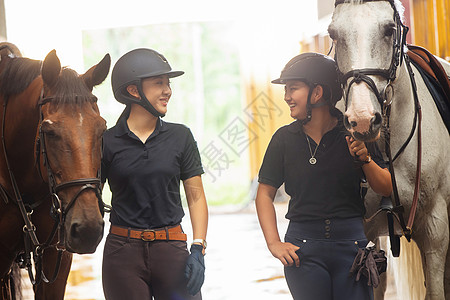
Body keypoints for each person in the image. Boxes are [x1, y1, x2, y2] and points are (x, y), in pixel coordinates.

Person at [255, 52, 392, 300]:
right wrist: (273, 243)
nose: (286, 97)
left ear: (317, 93)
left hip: (352, 249)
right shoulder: (283, 139)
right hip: (302, 251)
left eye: (293, 88)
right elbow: (264, 193)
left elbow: (386, 187)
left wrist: (365, 159)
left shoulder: (355, 131)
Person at [101, 48, 208, 300]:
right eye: (159, 83)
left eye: (168, 83)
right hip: (122, 253)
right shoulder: (107, 141)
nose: (167, 90)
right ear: (133, 91)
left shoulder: (181, 136)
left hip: (171, 248)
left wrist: (198, 246)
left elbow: (195, 196)